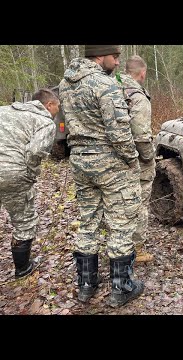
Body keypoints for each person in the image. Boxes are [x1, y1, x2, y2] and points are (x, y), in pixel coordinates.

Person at [58, 45, 144, 308]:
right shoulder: (103, 84)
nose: (117, 63)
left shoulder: (65, 83)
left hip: (81, 162)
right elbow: (119, 131)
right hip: (110, 164)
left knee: (88, 220)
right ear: (100, 55)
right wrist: (132, 160)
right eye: (115, 57)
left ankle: (86, 285)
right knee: (120, 222)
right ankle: (121, 288)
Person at [0, 88, 59, 279]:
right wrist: (30, 174)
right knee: (23, 221)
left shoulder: (5, 111)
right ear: (49, 105)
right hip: (13, 173)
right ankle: (23, 268)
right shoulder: (45, 122)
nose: (58, 110)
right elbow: (35, 152)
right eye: (58, 105)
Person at [116, 55, 156, 263]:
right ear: (142, 73)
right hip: (135, 161)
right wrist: (150, 157)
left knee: (117, 202)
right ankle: (137, 248)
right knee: (139, 203)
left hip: (113, 160)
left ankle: (118, 244)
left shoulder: (112, 88)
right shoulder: (137, 96)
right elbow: (141, 136)